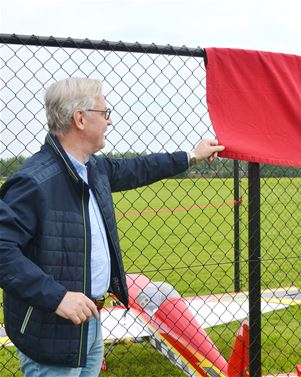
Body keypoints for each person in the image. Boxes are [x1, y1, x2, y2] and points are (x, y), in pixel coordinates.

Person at [0, 77, 224, 376]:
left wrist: (191, 156)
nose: (110, 121)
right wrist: (57, 297)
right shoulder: (34, 182)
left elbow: (141, 168)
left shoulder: (94, 169)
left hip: (90, 321)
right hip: (51, 331)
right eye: (104, 113)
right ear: (80, 118)